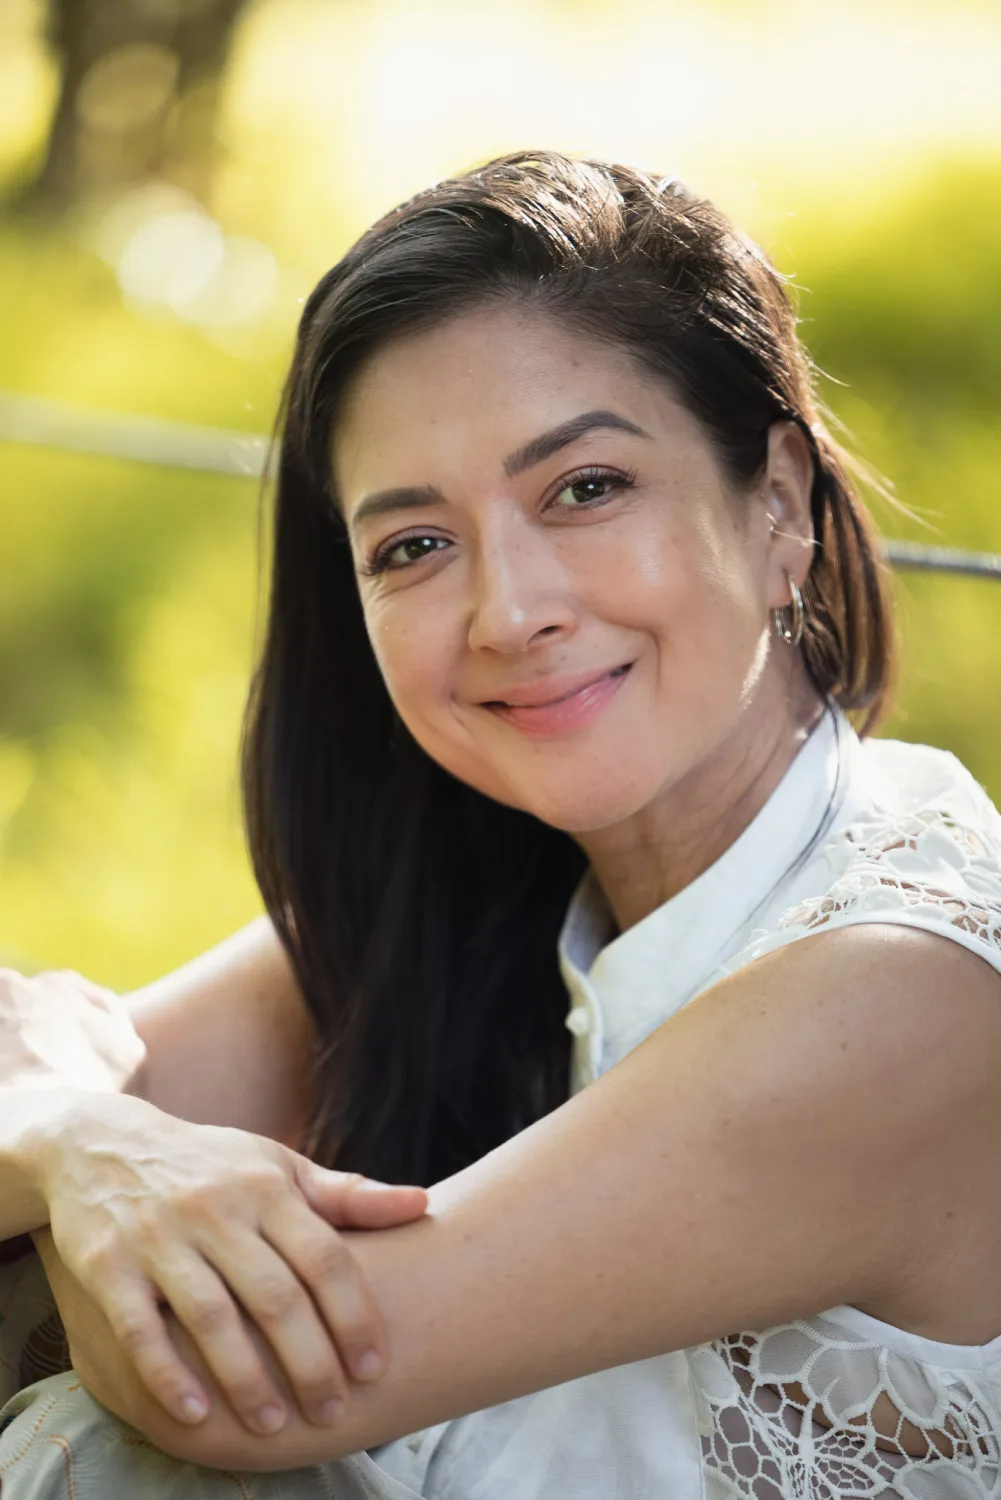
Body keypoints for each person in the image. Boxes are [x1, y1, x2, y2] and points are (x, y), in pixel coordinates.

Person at [1, 149, 1001, 1500]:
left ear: (778, 506)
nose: (508, 610)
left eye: (584, 488)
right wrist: (78, 1134)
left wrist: (70, 1137)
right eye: (414, 546)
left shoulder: (907, 983)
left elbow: (247, 1384)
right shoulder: (488, 892)